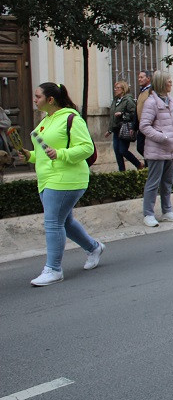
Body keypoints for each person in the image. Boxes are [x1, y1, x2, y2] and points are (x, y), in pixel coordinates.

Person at [20, 83, 105, 286]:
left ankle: (53, 269)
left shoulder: (72, 118)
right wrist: (29, 155)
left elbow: (86, 148)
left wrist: (61, 154)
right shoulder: (46, 121)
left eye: (37, 96)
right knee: (64, 222)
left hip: (67, 178)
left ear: (50, 100)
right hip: (48, 179)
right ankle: (94, 247)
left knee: (53, 223)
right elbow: (43, 153)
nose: (34, 99)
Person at [139, 71, 173, 228]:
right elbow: (144, 126)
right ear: (161, 83)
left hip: (170, 150)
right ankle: (148, 214)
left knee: (167, 182)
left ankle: (167, 211)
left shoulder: (170, 101)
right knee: (153, 183)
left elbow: (171, 124)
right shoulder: (151, 103)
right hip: (156, 150)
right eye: (168, 81)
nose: (171, 83)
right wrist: (163, 137)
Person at [104, 81, 143, 171]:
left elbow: (134, 114)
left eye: (118, 88)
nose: (115, 90)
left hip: (124, 128)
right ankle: (122, 172)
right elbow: (112, 117)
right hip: (116, 130)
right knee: (117, 153)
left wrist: (122, 114)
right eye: (115, 88)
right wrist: (110, 130)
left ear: (123, 89)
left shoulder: (128, 100)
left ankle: (138, 164)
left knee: (123, 150)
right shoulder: (115, 100)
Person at [136, 71, 152, 162]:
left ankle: (149, 164)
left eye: (141, 77)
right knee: (140, 147)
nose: (139, 79)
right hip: (141, 125)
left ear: (148, 79)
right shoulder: (142, 92)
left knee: (145, 147)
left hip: (148, 125)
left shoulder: (151, 91)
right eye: (139, 77)